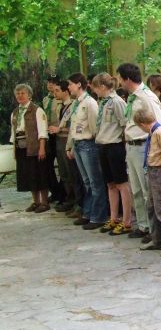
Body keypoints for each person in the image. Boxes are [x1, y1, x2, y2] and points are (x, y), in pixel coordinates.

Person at [117, 63, 161, 240]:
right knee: (136, 189)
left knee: (147, 190)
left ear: (127, 79)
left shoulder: (146, 97)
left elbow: (158, 125)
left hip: (143, 146)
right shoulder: (132, 98)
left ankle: (154, 229)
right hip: (131, 145)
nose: (120, 83)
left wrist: (154, 152)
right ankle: (143, 225)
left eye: (121, 79)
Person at [134, 109, 161, 257]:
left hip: (160, 171)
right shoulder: (152, 132)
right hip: (152, 171)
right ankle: (157, 238)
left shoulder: (160, 132)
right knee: (152, 206)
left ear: (142, 124)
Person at [91, 73, 132, 236]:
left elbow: (125, 124)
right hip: (103, 145)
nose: (94, 91)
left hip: (115, 146)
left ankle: (127, 220)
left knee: (122, 184)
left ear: (102, 86)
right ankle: (114, 218)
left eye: (95, 88)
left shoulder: (116, 102)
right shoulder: (103, 102)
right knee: (110, 184)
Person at [66, 73, 108, 229]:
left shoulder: (90, 103)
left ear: (78, 84)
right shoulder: (76, 103)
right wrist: (70, 145)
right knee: (86, 182)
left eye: (70, 84)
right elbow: (72, 126)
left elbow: (94, 126)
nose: (68, 87)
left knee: (95, 182)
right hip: (78, 144)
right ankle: (88, 212)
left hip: (88, 144)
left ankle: (99, 216)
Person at [10, 84, 50, 213]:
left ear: (29, 95)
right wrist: (14, 150)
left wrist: (42, 148)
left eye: (22, 93)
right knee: (29, 175)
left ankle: (44, 202)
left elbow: (42, 131)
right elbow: (13, 132)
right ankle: (35, 202)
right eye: (17, 94)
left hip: (35, 147)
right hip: (21, 147)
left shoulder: (37, 110)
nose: (20, 96)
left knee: (40, 174)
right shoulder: (15, 112)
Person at [51, 81, 80, 214]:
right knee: (63, 172)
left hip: (68, 139)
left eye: (57, 90)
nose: (54, 93)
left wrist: (59, 129)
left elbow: (74, 126)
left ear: (65, 91)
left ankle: (77, 201)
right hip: (59, 139)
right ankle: (69, 198)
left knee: (71, 172)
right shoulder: (60, 106)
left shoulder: (73, 105)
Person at [43, 75, 65, 204]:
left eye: (53, 83)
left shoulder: (61, 99)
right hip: (48, 134)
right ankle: (55, 191)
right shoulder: (46, 99)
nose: (50, 85)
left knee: (63, 165)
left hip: (60, 133)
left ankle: (63, 193)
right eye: (48, 82)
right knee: (47, 164)